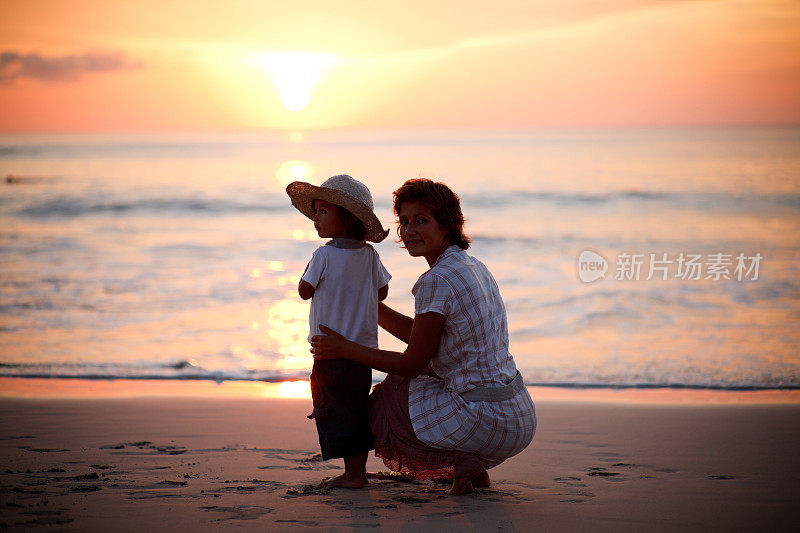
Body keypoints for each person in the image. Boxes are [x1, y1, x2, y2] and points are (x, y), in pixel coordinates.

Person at [311, 178, 536, 495]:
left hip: (485, 420)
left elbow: (411, 362)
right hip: (517, 414)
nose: (410, 229)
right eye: (403, 221)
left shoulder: (436, 279)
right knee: (418, 381)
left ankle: (459, 462)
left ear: (447, 224)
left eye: (421, 220)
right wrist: (370, 306)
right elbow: (424, 339)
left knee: (387, 400)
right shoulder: (473, 266)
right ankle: (473, 470)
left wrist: (345, 348)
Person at [286, 174, 391, 489]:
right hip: (362, 351)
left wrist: (309, 270)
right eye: (315, 212)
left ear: (346, 218)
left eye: (322, 212)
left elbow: (305, 291)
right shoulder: (370, 255)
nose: (315, 219)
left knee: (334, 407)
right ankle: (357, 469)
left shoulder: (324, 255)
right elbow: (382, 294)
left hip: (329, 349)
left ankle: (353, 475)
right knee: (355, 405)